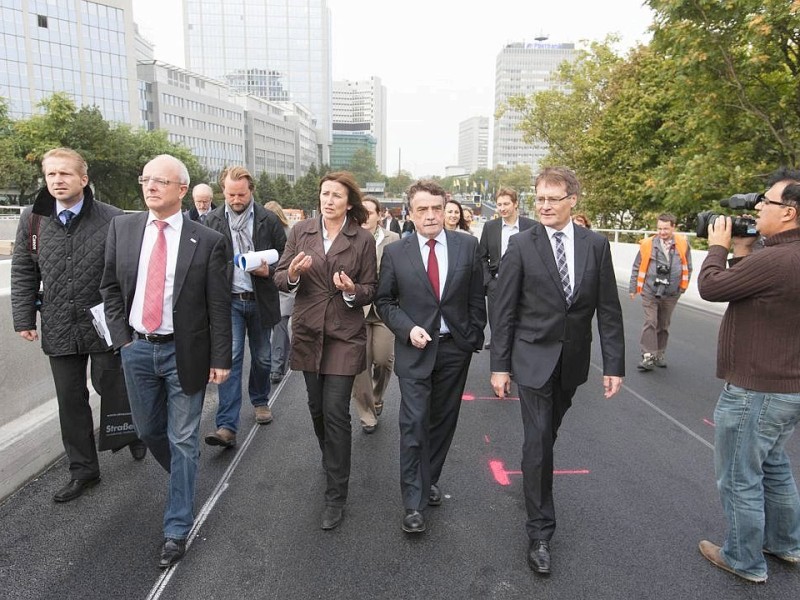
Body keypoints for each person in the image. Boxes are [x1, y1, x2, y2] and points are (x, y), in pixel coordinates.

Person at [489, 166, 625, 576]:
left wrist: (614, 365)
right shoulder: (521, 245)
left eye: (553, 198)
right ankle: (540, 531)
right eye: (540, 199)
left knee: (547, 436)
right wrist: (500, 366)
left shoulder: (596, 246)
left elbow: (609, 310)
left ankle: (535, 477)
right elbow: (504, 308)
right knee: (538, 439)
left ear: (572, 201)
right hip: (531, 359)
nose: (545, 206)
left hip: (572, 362)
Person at [101, 154, 232, 568]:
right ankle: (185, 477)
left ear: (181, 189)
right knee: (148, 429)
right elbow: (108, 288)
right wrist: (123, 340)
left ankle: (176, 528)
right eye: (146, 179)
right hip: (137, 349)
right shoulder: (122, 228)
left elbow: (218, 305)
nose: (151, 186)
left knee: (182, 437)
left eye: (161, 181)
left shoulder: (206, 240)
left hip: (185, 352)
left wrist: (221, 358)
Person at [11, 147, 146, 504]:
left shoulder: (113, 218)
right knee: (71, 400)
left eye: (65, 174)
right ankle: (83, 471)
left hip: (104, 323)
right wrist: (24, 318)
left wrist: (128, 319)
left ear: (83, 180)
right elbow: (24, 270)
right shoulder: (33, 220)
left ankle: (132, 431)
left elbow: (130, 273)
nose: (57, 180)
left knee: (112, 386)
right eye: (51, 174)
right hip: (58, 324)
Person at [697, 169, 800, 583]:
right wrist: (744, 249)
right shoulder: (782, 257)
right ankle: (785, 543)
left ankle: (744, 559)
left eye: (767, 202)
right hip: (786, 387)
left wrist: (718, 248)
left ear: (790, 212)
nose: (758, 207)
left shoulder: (777, 258)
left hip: (756, 390)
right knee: (774, 466)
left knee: (740, 476)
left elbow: (712, 286)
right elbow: (753, 289)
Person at [374, 180, 486, 535]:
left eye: (436, 208)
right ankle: (413, 502)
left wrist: (472, 334)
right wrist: (408, 329)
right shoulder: (396, 253)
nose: (430, 215)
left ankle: (428, 478)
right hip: (415, 349)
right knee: (414, 423)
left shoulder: (467, 246)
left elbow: (476, 296)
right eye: (422, 209)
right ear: (410, 213)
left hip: (455, 349)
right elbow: (385, 302)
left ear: (446, 208)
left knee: (442, 422)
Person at [274, 171, 377, 531]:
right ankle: (330, 456)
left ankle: (336, 494)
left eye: (336, 195)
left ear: (349, 203)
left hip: (344, 333)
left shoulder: (362, 239)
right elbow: (279, 275)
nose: (328, 200)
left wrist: (352, 289)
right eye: (324, 193)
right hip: (307, 329)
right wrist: (293, 274)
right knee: (316, 408)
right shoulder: (300, 231)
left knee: (336, 412)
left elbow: (370, 287)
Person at [203, 167, 286, 448]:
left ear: (251, 191)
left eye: (241, 194)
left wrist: (269, 270)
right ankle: (226, 425)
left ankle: (260, 400)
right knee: (231, 360)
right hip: (229, 303)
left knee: (262, 357)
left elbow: (286, 258)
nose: (236, 200)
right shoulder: (212, 221)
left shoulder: (268, 220)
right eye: (230, 194)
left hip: (261, 300)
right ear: (222, 192)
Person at [352, 196, 400, 434]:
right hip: (355, 310)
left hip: (384, 310)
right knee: (359, 365)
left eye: (369, 212)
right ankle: (367, 414)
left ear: (379, 215)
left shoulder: (393, 240)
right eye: (361, 212)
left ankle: (377, 396)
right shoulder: (348, 238)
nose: (365, 216)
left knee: (382, 360)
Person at [628, 213, 692, 370]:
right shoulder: (648, 244)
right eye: (659, 228)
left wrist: (683, 286)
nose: (662, 232)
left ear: (673, 227)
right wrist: (633, 287)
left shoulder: (683, 244)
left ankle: (659, 354)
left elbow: (688, 266)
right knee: (651, 321)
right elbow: (637, 266)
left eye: (665, 228)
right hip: (650, 290)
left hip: (671, 292)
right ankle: (648, 356)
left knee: (663, 324)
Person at [478, 187, 536, 349]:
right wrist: (489, 282)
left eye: (506, 204)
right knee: (498, 324)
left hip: (524, 285)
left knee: (522, 322)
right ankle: (500, 364)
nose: (502, 208)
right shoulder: (490, 227)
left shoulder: (532, 226)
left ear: (516, 204)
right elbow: (482, 257)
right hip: (497, 283)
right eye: (499, 204)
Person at [265, 200, 294, 385]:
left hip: (283, 288)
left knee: (280, 328)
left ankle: (276, 367)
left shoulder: (290, 234)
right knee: (278, 329)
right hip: (270, 287)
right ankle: (282, 360)